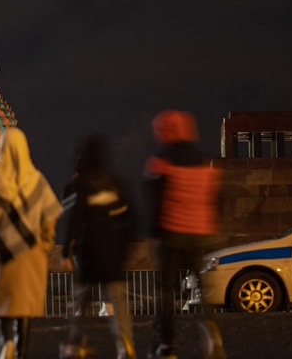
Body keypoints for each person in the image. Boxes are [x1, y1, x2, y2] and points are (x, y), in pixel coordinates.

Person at [143, 110, 225, 359]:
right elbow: (216, 199)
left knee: (167, 289)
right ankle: (211, 330)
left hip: (171, 233)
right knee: (200, 283)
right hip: (199, 233)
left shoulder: (161, 159)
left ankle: (167, 344)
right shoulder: (203, 159)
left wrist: (153, 232)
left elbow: (153, 199)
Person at [0, 127, 63, 359]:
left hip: (1, 253)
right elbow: (49, 217)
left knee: (3, 303)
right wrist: (44, 243)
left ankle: (7, 343)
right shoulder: (36, 181)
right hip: (30, 252)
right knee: (23, 306)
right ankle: (21, 349)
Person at [60, 134, 136, 359]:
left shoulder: (79, 186)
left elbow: (73, 220)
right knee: (119, 305)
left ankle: (75, 344)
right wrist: (124, 252)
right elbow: (130, 221)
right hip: (113, 257)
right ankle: (126, 345)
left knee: (81, 305)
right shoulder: (116, 184)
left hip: (88, 257)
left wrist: (67, 251)